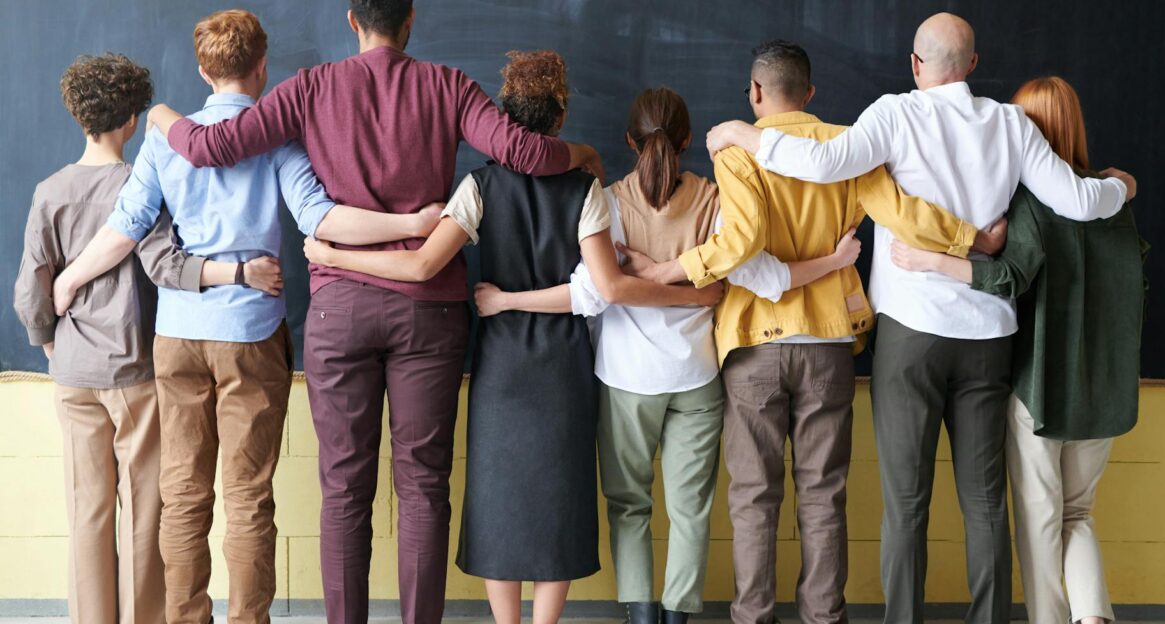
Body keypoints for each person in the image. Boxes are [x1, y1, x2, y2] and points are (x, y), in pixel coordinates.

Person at [145, 4, 604, 621]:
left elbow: (212, 147)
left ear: (351, 18)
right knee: (423, 487)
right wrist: (582, 153)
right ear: (410, 18)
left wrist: (160, 114)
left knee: (343, 491)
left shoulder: (308, 88)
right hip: (429, 313)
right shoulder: (449, 86)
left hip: (339, 311)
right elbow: (525, 152)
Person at [705, 14, 1137, 624]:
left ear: (915, 64)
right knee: (986, 502)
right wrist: (1121, 187)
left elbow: (828, 162)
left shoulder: (895, 113)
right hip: (989, 335)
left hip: (910, 334)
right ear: (973, 66)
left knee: (906, 503)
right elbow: (1078, 200)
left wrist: (747, 138)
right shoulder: (1010, 124)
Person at [302, 50, 722, 624]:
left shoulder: (478, 186)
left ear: (502, 114)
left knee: (497, 501)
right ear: (560, 115)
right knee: (559, 503)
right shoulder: (587, 189)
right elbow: (606, 286)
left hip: (501, 366)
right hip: (564, 365)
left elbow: (423, 266)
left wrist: (335, 256)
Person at [48, 11, 436, 624]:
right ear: (262, 68)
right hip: (252, 334)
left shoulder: (162, 143)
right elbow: (321, 218)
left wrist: (67, 279)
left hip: (177, 335)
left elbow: (122, 232)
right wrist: (413, 226)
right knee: (249, 496)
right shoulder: (279, 139)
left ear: (204, 71)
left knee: (181, 496)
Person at [608, 41, 990, 624]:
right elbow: (904, 213)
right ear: (810, 94)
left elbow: (740, 244)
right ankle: (822, 616)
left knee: (753, 499)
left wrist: (665, 271)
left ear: (755, 92)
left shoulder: (737, 154)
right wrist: (971, 240)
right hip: (829, 343)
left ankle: (753, 615)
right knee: (823, 496)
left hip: (754, 346)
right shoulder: (849, 144)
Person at [12, 52, 276, 624]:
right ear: (133, 119)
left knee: (88, 509)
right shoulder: (142, 181)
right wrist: (232, 273)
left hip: (74, 373)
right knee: (145, 509)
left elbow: (32, 287)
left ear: (78, 115)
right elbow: (164, 263)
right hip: (134, 371)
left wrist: (52, 344)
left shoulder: (49, 191)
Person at [890, 76, 1144, 624]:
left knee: (1039, 520)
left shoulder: (1031, 202)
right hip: (1105, 389)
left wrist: (933, 261)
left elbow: (1010, 276)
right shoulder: (1112, 200)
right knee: (1079, 513)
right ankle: (1094, 617)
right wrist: (1124, 184)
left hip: (1041, 387)